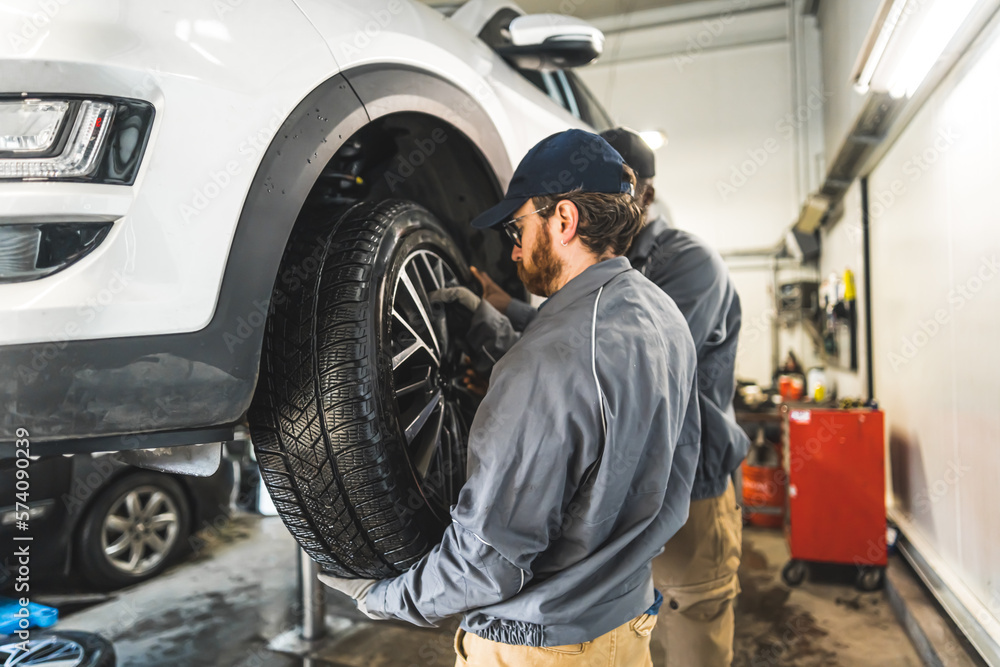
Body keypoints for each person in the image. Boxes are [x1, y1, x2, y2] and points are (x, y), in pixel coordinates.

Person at [319, 129, 701, 666]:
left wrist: (382, 596)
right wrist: (487, 326)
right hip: (625, 627)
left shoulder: (547, 363)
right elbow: (596, 411)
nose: (514, 248)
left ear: (564, 220)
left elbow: (487, 563)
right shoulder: (662, 317)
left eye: (517, 227)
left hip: (544, 648)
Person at [473, 127, 750, 666]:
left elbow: (625, 361)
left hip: (693, 496)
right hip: (633, 500)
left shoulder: (688, 264)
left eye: (624, 185)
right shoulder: (612, 284)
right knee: (635, 636)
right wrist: (504, 310)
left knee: (693, 643)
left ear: (643, 193)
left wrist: (514, 322)